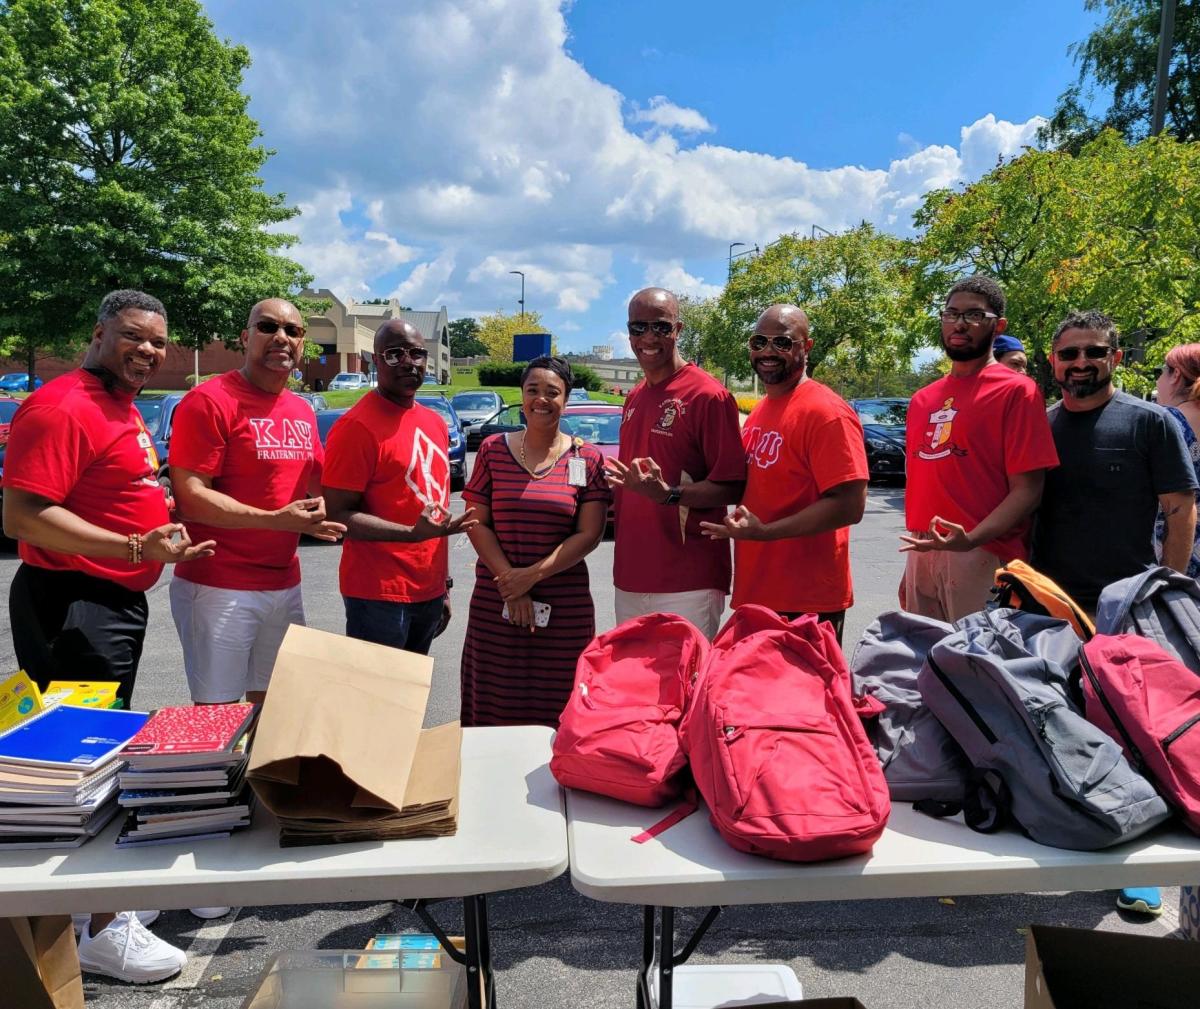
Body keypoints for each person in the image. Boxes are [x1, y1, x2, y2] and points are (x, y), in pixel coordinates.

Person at [2, 289, 214, 984]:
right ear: (98, 333)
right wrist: (132, 545)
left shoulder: (115, 405)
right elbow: (25, 514)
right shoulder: (63, 404)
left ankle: (98, 906)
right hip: (75, 607)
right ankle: (100, 928)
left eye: (156, 341)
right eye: (133, 336)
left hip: (106, 603)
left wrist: (156, 531)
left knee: (100, 756)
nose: (147, 350)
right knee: (80, 770)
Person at [1029, 312, 1197, 922]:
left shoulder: (1151, 422)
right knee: (1062, 724)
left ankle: (1142, 869)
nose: (1080, 364)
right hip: (1048, 606)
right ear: (1053, 363)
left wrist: (1164, 588)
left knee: (1135, 733)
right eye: (1068, 354)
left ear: (1116, 358)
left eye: (1093, 353)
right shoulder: (1040, 426)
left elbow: (1180, 508)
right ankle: (1083, 827)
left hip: (1125, 609)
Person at [168, 298, 344, 711]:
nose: (281, 337)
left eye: (293, 331)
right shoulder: (210, 400)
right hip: (218, 585)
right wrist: (275, 520)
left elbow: (322, 484)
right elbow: (191, 497)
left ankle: (258, 781)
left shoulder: (301, 410)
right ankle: (224, 780)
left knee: (277, 709)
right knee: (219, 715)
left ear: (301, 346)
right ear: (246, 338)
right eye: (268, 327)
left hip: (285, 583)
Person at [699, 304, 868, 644]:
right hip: (758, 593)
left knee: (806, 697)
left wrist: (767, 533)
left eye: (783, 343)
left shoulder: (827, 412)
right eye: (759, 341)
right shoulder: (763, 409)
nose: (768, 351)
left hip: (807, 602)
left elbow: (850, 505)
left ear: (806, 347)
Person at [460, 356, 610, 726]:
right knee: (494, 702)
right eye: (533, 390)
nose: (541, 399)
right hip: (498, 600)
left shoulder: (586, 459)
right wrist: (513, 583)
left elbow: (589, 534)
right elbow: (476, 523)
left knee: (559, 710)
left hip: (565, 610)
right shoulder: (493, 451)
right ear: (521, 396)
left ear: (566, 399)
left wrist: (532, 577)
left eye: (552, 392)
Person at [899, 276, 1059, 622]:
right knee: (924, 664)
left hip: (984, 551)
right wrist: (918, 560)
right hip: (922, 548)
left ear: (997, 326)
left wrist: (970, 539)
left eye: (974, 315)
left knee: (976, 668)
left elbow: (1028, 490)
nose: (959, 323)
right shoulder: (922, 399)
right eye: (951, 314)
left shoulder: (1018, 391)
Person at [323, 320, 476, 652]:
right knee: (377, 702)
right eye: (394, 354)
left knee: (410, 701)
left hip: (428, 591)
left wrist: (443, 585)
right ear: (374, 361)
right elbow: (337, 515)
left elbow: (435, 517)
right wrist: (409, 534)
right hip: (378, 596)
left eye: (417, 353)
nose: (408, 362)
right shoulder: (356, 427)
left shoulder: (434, 423)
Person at [605, 288, 746, 638]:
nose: (649, 338)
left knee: (687, 689)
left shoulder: (708, 395)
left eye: (661, 327)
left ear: (678, 330)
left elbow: (733, 484)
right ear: (628, 332)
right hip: (630, 575)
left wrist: (669, 494)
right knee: (636, 689)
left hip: (688, 581)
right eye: (639, 328)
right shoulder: (635, 396)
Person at [1153, 343, 1200, 577]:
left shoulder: (1167, 421)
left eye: (1161, 371)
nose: (1158, 380)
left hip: (1174, 553)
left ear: (1176, 375)